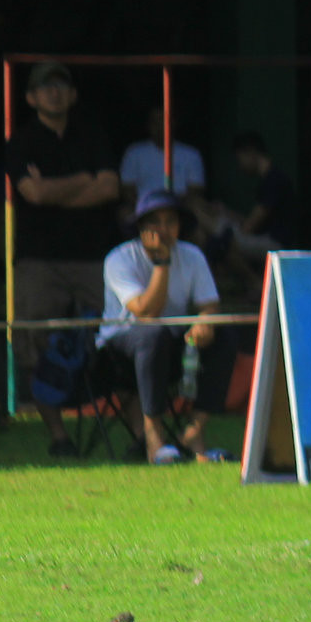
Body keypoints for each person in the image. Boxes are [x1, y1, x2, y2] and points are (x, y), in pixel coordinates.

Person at [8, 61, 121, 456]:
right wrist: (81, 181)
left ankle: (141, 432)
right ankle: (59, 436)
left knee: (121, 333)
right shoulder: (21, 142)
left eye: (61, 84)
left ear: (73, 94)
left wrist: (55, 189)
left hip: (93, 258)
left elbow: (110, 187)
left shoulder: (93, 135)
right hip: (39, 260)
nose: (54, 92)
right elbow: (32, 195)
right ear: (31, 97)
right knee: (34, 343)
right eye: (45, 86)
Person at [98, 190, 231, 463]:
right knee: (152, 334)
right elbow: (146, 312)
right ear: (140, 228)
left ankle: (194, 432)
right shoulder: (119, 259)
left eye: (170, 222)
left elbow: (210, 305)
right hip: (119, 352)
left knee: (224, 335)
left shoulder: (193, 255)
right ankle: (153, 437)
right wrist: (162, 263)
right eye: (154, 223)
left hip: (172, 344)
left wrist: (204, 322)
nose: (163, 230)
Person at [118, 106, 208, 214]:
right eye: (155, 122)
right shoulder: (134, 152)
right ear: (148, 125)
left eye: (164, 121)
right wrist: (149, 208)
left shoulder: (191, 154)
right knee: (124, 213)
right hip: (143, 209)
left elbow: (196, 191)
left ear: (173, 123)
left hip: (181, 210)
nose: (160, 126)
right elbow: (127, 189)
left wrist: (171, 208)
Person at [229, 132, 299, 255]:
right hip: (267, 238)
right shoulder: (268, 178)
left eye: (240, 159)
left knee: (225, 241)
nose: (240, 166)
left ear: (250, 152)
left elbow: (249, 227)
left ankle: (252, 276)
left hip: (277, 244)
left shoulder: (274, 179)